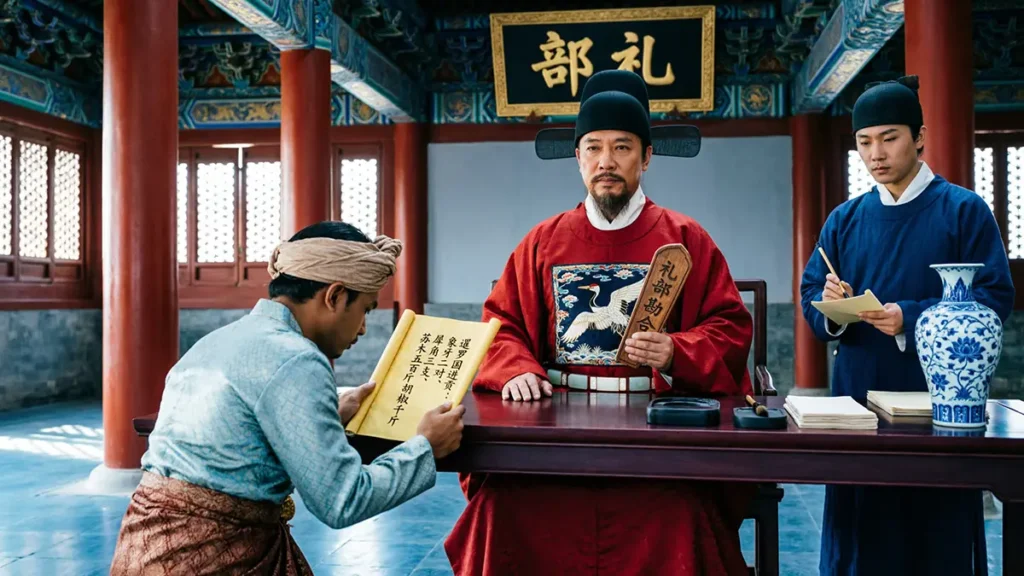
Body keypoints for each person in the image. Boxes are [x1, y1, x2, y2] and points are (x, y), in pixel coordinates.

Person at [443, 69, 756, 576]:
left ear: (647, 157)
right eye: (593, 148)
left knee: (683, 514)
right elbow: (500, 321)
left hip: (656, 436)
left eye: (622, 147)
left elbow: (729, 326)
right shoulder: (543, 241)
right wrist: (516, 367)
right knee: (501, 506)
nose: (606, 162)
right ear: (577, 158)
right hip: (555, 435)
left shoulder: (686, 238)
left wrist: (678, 351)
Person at [110, 221, 466, 575]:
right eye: (366, 310)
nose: (361, 328)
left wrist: (329, 416)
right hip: (214, 558)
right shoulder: (298, 358)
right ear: (334, 296)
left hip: (144, 550)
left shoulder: (219, 340)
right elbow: (343, 499)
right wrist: (425, 448)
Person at [800, 76, 1014, 576]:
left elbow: (993, 297)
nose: (875, 153)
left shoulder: (963, 210)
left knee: (933, 532)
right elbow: (813, 297)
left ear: (919, 137)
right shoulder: (845, 219)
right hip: (856, 396)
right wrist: (829, 307)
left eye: (889, 137)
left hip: (935, 400)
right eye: (864, 141)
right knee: (861, 528)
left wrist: (909, 318)